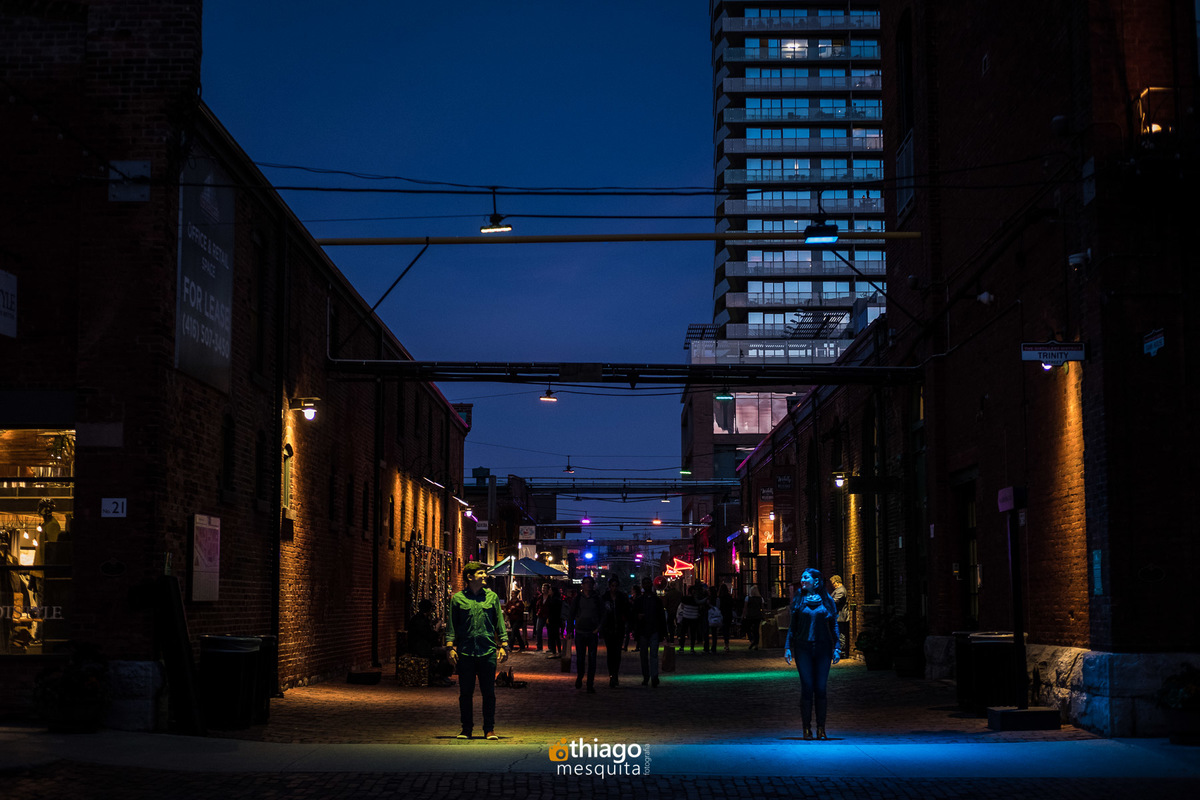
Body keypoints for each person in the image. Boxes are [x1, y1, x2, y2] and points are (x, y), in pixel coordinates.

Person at [446, 561, 509, 740]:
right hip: (465, 652)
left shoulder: (492, 598)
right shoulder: (457, 599)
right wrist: (450, 647)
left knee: (489, 693)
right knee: (465, 693)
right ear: (470, 577)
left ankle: (489, 729)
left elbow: (499, 623)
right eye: (481, 573)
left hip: (487, 651)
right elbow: (452, 625)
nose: (485, 576)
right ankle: (466, 729)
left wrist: (504, 644)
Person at [784, 568, 841, 740]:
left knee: (821, 689)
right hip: (803, 649)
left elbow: (834, 625)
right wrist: (788, 646)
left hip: (823, 648)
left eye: (806, 577)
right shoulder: (799, 600)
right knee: (807, 688)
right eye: (802, 577)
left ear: (816, 581)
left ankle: (821, 728)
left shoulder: (827, 600)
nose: (802, 579)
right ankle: (806, 728)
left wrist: (837, 647)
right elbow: (792, 626)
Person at [568, 575, 604, 692]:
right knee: (580, 657)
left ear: (593, 585)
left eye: (590, 582)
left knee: (592, 658)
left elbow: (603, 615)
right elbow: (571, 614)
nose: (588, 584)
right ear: (582, 585)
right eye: (586, 582)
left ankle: (590, 683)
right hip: (580, 631)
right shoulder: (578, 599)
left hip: (592, 632)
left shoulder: (597, 599)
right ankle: (580, 676)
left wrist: (598, 628)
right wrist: (570, 630)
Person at [408, 598, 454, 685]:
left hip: (421, 646)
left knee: (445, 652)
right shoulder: (420, 620)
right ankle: (440, 676)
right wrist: (436, 628)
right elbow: (429, 636)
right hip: (422, 648)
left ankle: (441, 676)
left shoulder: (418, 618)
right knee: (447, 653)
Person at [634, 577, 667, 687]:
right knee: (648, 655)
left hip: (652, 630)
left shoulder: (647, 600)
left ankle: (651, 676)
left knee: (650, 655)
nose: (647, 585)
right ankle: (650, 676)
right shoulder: (647, 600)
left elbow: (661, 617)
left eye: (648, 583)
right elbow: (661, 617)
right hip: (647, 630)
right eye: (645, 583)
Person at [600, 576, 631, 686]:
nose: (614, 588)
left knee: (617, 653)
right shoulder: (604, 598)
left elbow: (627, 611)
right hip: (608, 629)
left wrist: (625, 619)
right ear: (609, 586)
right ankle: (612, 675)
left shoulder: (622, 597)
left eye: (615, 586)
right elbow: (601, 613)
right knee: (610, 653)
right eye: (612, 586)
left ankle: (615, 674)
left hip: (619, 628)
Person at [677, 584, 700, 652]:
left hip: (686, 616)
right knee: (693, 633)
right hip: (694, 617)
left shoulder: (685, 598)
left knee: (683, 633)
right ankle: (692, 648)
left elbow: (682, 606)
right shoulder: (697, 600)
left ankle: (682, 647)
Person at [829, 574, 849, 657]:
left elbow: (834, 602)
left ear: (836, 582)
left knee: (840, 634)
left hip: (840, 617)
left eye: (832, 583)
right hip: (838, 617)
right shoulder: (838, 590)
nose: (832, 585)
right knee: (839, 634)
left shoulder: (840, 590)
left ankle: (841, 652)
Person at [743, 585, 765, 650]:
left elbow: (745, 607)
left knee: (747, 628)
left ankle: (752, 640)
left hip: (750, 615)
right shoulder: (761, 599)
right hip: (758, 616)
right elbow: (762, 608)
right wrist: (763, 615)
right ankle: (756, 644)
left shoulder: (748, 598)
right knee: (756, 630)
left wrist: (744, 614)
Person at [718, 582, 734, 651]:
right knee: (727, 629)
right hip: (728, 614)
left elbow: (718, 606)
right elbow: (732, 605)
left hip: (722, 614)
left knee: (724, 629)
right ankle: (727, 644)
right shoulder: (729, 597)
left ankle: (725, 643)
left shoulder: (720, 598)